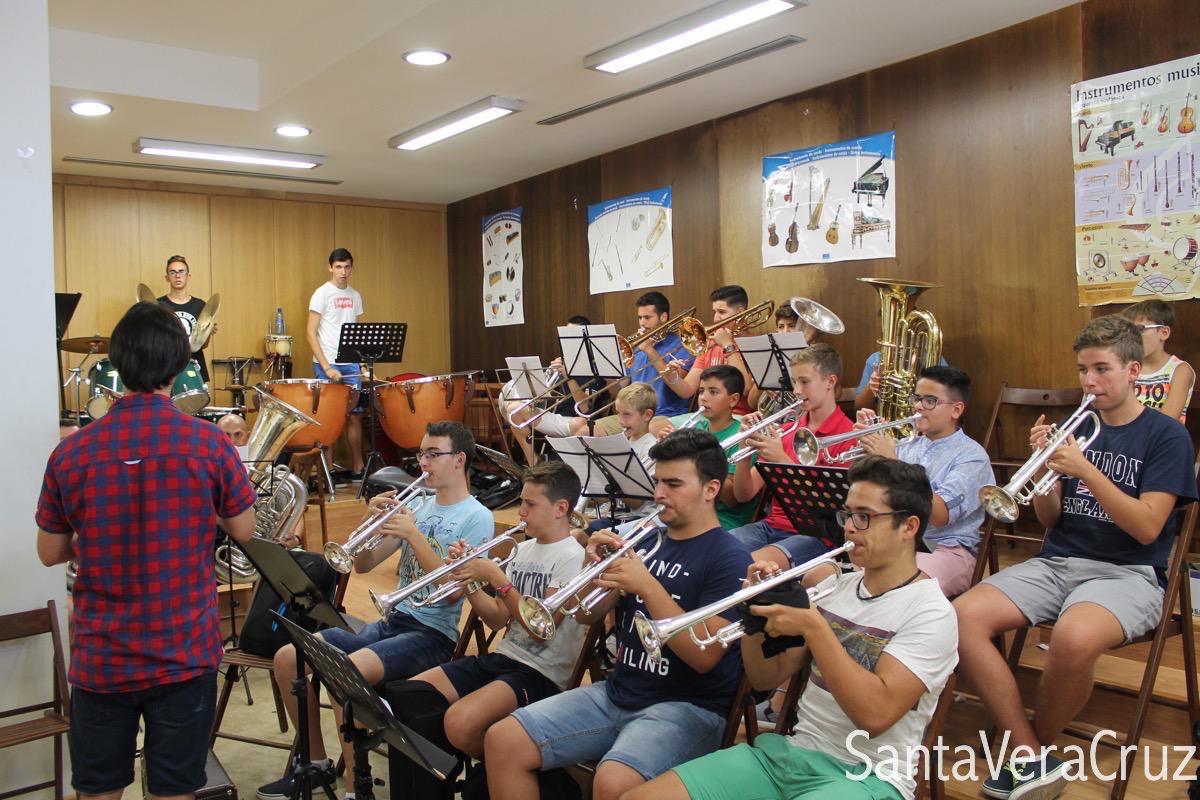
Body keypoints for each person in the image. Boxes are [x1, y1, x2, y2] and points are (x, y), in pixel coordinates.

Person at [954, 315, 1197, 800]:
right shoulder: (1076, 427)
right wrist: (1046, 470)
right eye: (1083, 370)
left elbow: (1149, 525)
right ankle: (1030, 753)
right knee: (960, 617)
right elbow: (1049, 518)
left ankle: (1036, 746)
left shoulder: (1165, 436)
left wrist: (1085, 469)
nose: (1089, 382)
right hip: (1059, 560)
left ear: (1133, 371)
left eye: (1102, 369)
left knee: (1072, 636)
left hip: (1130, 572)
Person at [625, 455, 958, 800]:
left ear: (909, 526)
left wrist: (816, 628)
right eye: (848, 514)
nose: (849, 527)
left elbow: (875, 716)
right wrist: (751, 610)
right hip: (790, 756)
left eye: (865, 517)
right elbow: (765, 678)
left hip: (869, 775)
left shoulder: (931, 613)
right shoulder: (836, 588)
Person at [36, 301, 257, 800]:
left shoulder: (71, 451)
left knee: (97, 792)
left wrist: (98, 530)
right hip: (184, 652)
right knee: (174, 791)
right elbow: (244, 528)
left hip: (101, 657)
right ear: (179, 366)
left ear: (116, 362)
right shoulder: (209, 444)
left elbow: (49, 552)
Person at [484, 429, 753, 800]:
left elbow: (705, 657)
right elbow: (585, 616)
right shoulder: (643, 541)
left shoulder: (730, 558)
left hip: (689, 706)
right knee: (503, 739)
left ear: (711, 490)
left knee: (612, 781)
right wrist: (591, 569)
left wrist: (647, 586)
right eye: (658, 481)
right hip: (619, 691)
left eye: (674, 484)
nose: (659, 494)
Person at [257, 421, 494, 800]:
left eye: (433, 454)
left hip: (430, 634)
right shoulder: (417, 502)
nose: (424, 463)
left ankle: (357, 787)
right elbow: (364, 564)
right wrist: (370, 522)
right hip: (392, 621)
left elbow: (451, 594)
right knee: (289, 657)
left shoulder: (476, 516)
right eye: (422, 454)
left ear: (459, 459)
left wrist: (414, 536)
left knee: (341, 672)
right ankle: (316, 761)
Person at [390, 461, 587, 762]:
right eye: (522, 502)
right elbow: (496, 618)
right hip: (504, 657)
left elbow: (542, 629)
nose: (521, 512)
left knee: (459, 723)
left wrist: (498, 579)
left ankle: (501, 770)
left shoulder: (573, 556)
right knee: (412, 693)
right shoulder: (523, 549)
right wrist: (467, 579)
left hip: (540, 673)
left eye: (530, 504)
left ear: (561, 508)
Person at [853, 366, 994, 597]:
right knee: (838, 579)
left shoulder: (972, 457)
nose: (918, 406)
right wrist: (868, 447)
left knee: (896, 588)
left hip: (948, 549)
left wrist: (893, 462)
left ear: (956, 410)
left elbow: (939, 516)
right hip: (898, 541)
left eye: (930, 400)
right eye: (917, 398)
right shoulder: (906, 446)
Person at [729, 344, 856, 572]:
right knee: (715, 552)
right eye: (794, 382)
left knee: (743, 565)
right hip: (771, 526)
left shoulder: (850, 436)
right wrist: (744, 448)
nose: (796, 390)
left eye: (804, 382)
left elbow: (832, 511)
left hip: (818, 536)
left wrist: (780, 458)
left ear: (830, 381)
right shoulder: (787, 430)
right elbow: (743, 494)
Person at [655, 365, 757, 530]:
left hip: (723, 519)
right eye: (701, 391)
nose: (703, 398)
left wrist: (696, 458)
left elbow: (731, 499)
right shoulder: (697, 427)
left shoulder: (741, 434)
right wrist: (669, 450)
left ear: (733, 400)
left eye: (713, 392)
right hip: (688, 509)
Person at [306, 247, 365, 475]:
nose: (343, 271)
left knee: (355, 415)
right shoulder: (322, 293)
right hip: (326, 361)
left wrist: (360, 364)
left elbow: (357, 333)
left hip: (350, 362)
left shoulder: (355, 295)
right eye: (338, 267)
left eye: (347, 267)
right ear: (330, 267)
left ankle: (359, 467)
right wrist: (326, 367)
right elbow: (310, 333)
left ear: (352, 267)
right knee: (329, 418)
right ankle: (328, 469)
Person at [674, 285, 754, 415]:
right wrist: (671, 376)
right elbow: (687, 390)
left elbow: (745, 388)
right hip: (705, 415)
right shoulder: (710, 344)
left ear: (740, 313)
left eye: (721, 312)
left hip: (738, 417)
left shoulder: (754, 344)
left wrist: (728, 345)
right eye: (714, 312)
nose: (716, 318)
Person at [1120, 298, 1195, 422]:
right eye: (1128, 330)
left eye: (1139, 329)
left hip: (1163, 439)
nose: (1131, 336)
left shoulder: (1180, 370)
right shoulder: (1126, 367)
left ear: (1164, 333)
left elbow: (1166, 421)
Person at [629, 290, 698, 418]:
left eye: (647, 317)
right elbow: (620, 388)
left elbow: (678, 383)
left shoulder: (682, 345)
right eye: (640, 317)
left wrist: (649, 350)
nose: (642, 323)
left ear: (663, 317)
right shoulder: (637, 346)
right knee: (582, 427)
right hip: (633, 413)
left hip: (665, 414)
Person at [157, 254, 212, 382]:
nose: (177, 276)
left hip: (194, 367)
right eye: (173, 272)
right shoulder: (157, 305)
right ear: (167, 277)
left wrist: (207, 332)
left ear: (188, 276)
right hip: (166, 369)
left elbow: (202, 345)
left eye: (181, 271)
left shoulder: (200, 305)